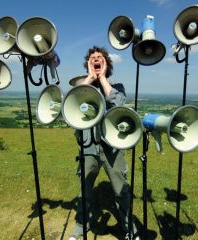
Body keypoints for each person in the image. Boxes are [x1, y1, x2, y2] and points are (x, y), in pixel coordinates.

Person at [69, 46, 139, 240]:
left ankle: (127, 228)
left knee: (120, 189)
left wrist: (102, 79)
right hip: (88, 145)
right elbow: (73, 104)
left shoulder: (117, 87)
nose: (96, 59)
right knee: (85, 188)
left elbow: (118, 105)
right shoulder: (82, 85)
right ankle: (82, 224)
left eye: (100, 57)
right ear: (88, 64)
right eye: (92, 58)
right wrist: (90, 80)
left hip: (112, 147)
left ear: (107, 63)